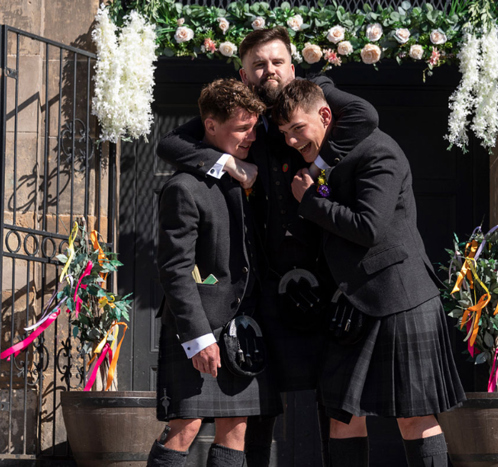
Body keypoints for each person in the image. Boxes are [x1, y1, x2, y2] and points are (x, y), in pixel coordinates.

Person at [156, 27, 379, 466]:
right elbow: (170, 143)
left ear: (292, 67)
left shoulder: (317, 94)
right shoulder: (239, 115)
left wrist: (317, 163)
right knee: (251, 410)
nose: (269, 71)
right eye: (258, 64)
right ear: (243, 74)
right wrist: (228, 164)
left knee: (337, 403)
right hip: (259, 288)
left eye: (277, 62)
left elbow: (366, 117)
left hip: (324, 280)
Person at [275, 79, 466, 467]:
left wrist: (310, 201)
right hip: (353, 305)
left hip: (400, 299)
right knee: (342, 417)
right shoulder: (328, 161)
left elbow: (368, 227)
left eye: (298, 128)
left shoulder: (379, 152)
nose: (293, 141)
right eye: (285, 134)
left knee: (414, 416)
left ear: (325, 114)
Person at [148, 79, 282, 467]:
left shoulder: (244, 179)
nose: (252, 137)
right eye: (242, 128)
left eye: (254, 127)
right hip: (202, 327)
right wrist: (198, 337)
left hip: (244, 330)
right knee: (184, 427)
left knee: (236, 427)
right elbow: (174, 271)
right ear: (209, 126)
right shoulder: (184, 187)